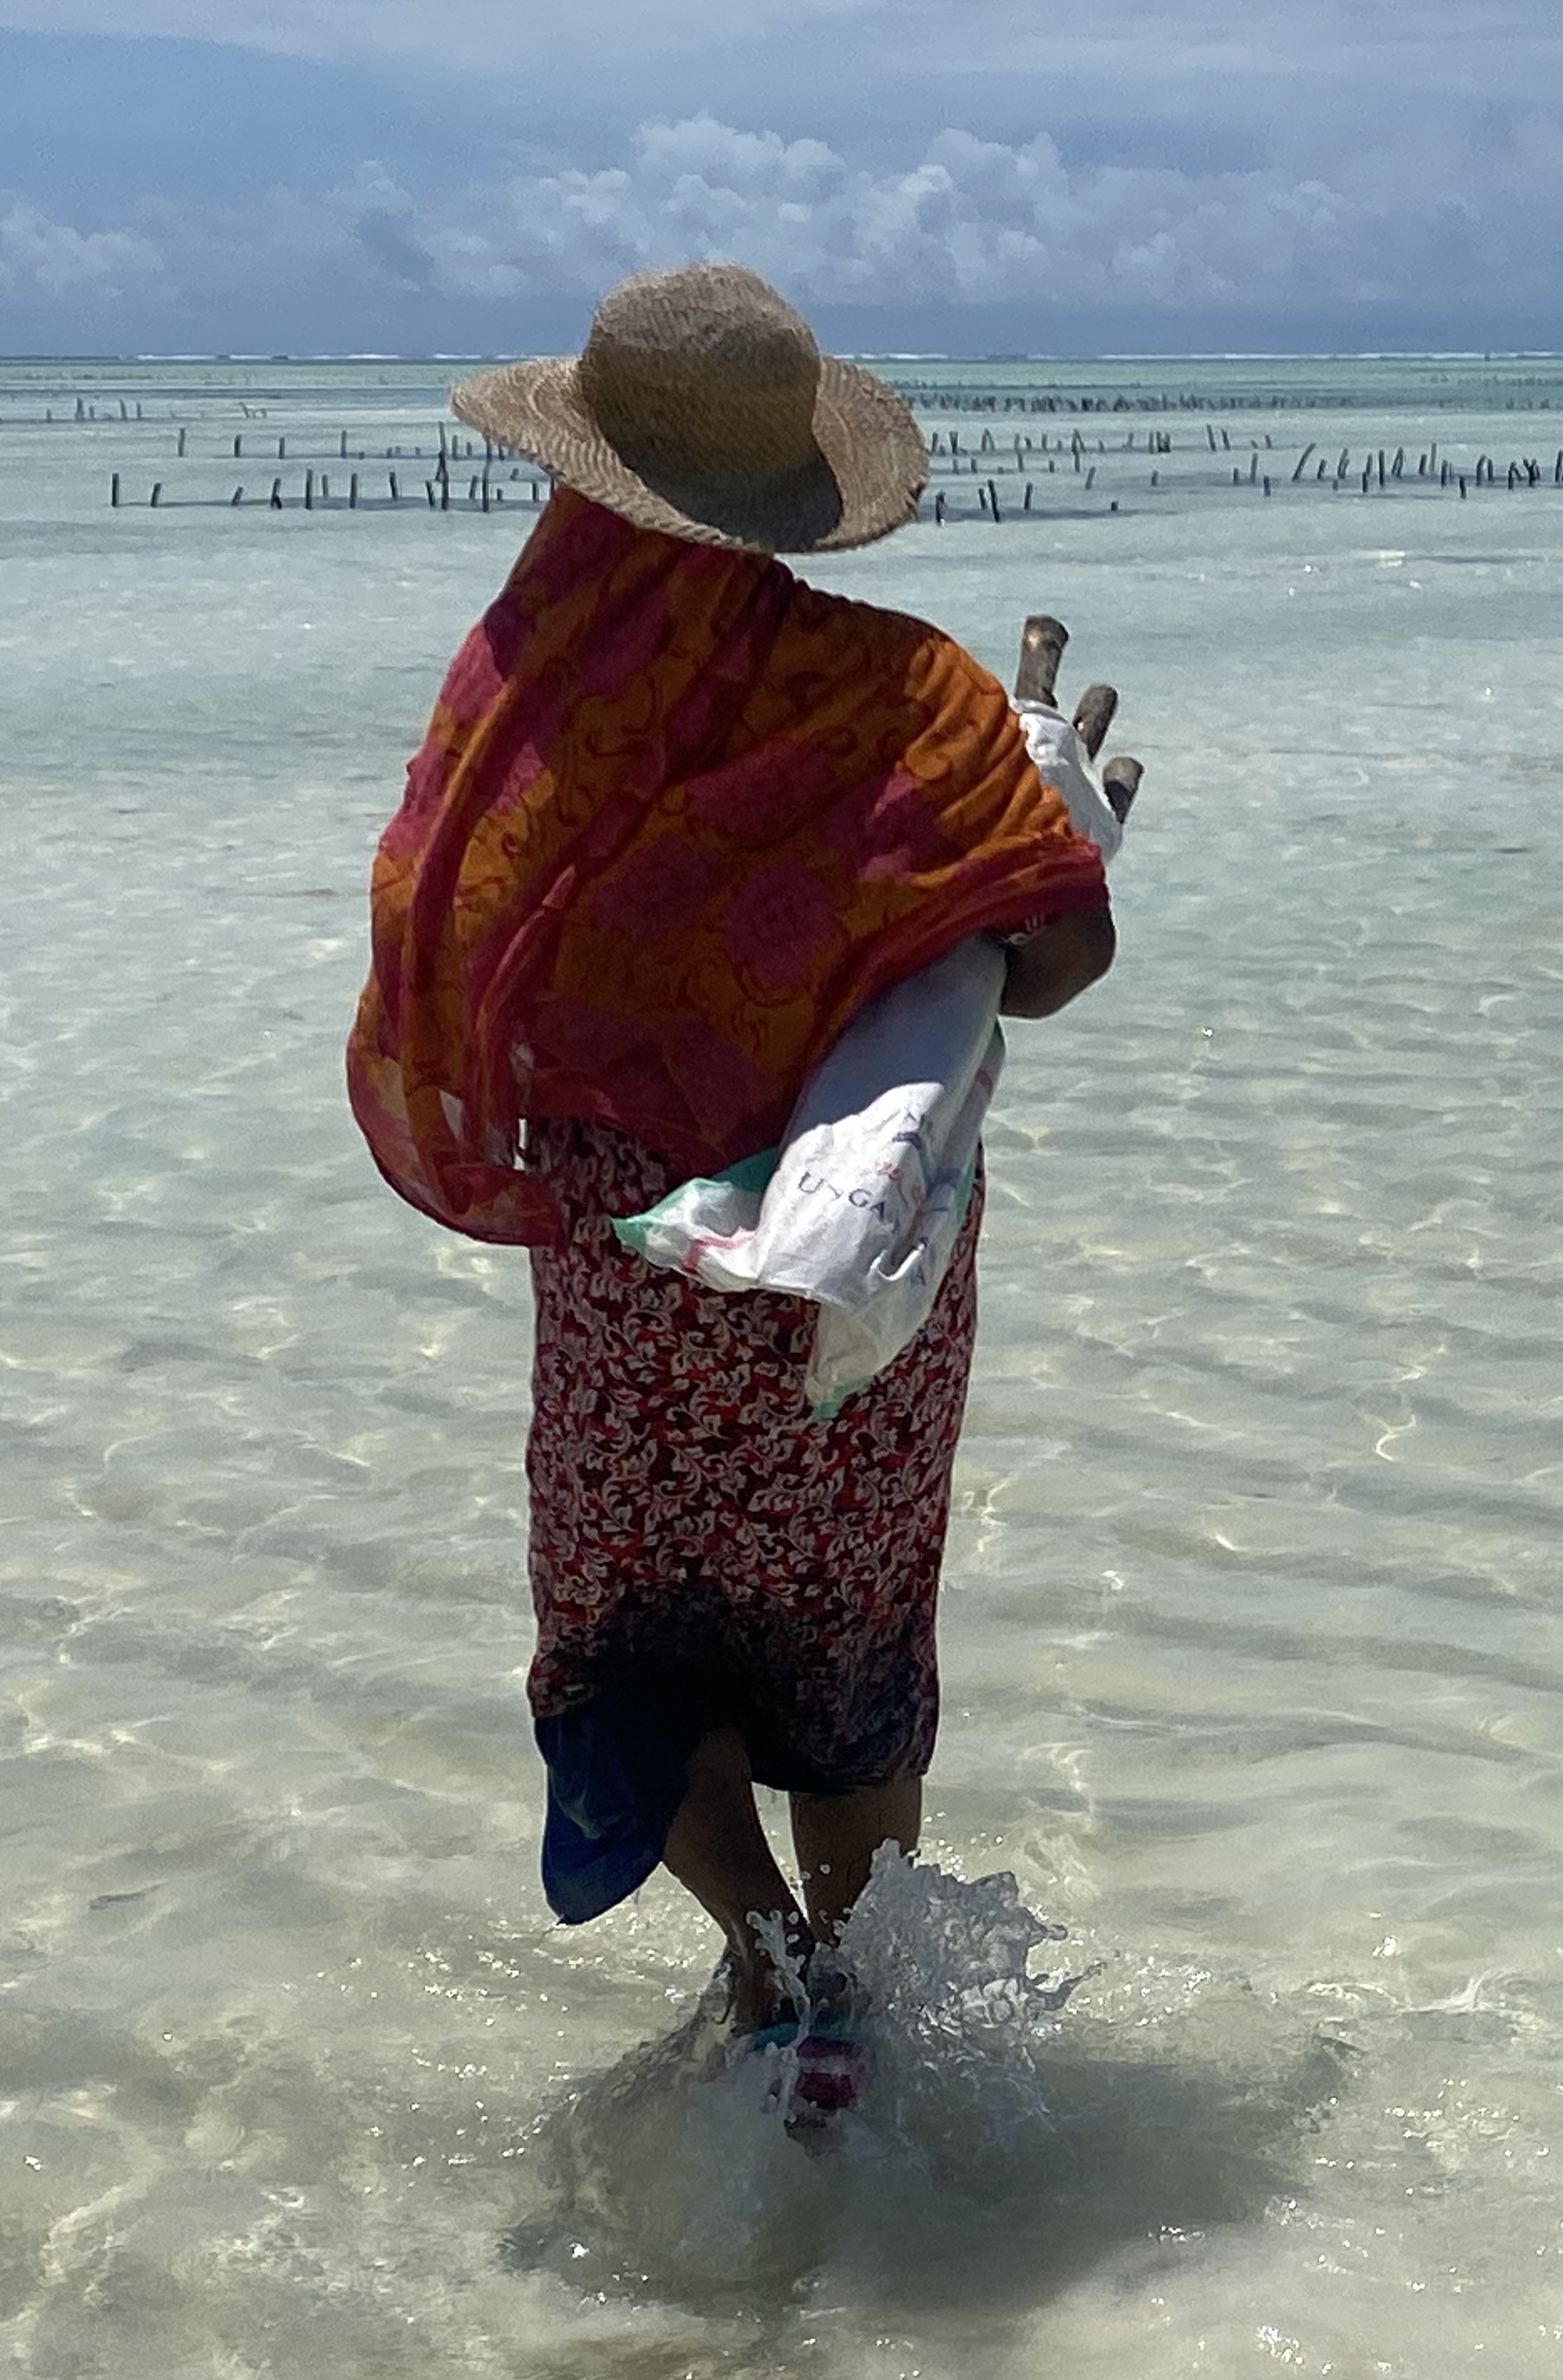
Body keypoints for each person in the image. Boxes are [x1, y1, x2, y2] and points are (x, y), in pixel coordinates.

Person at [346, 264, 1123, 2073]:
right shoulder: (915, 700)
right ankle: (849, 2011)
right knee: (848, 1633)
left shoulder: (524, 703)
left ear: (584, 472)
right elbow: (1059, 964)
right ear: (787, 488)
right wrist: (1048, 832)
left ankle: (765, 1955)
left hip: (630, 1245)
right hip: (862, 1245)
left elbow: (440, 935)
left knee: (628, 1639)